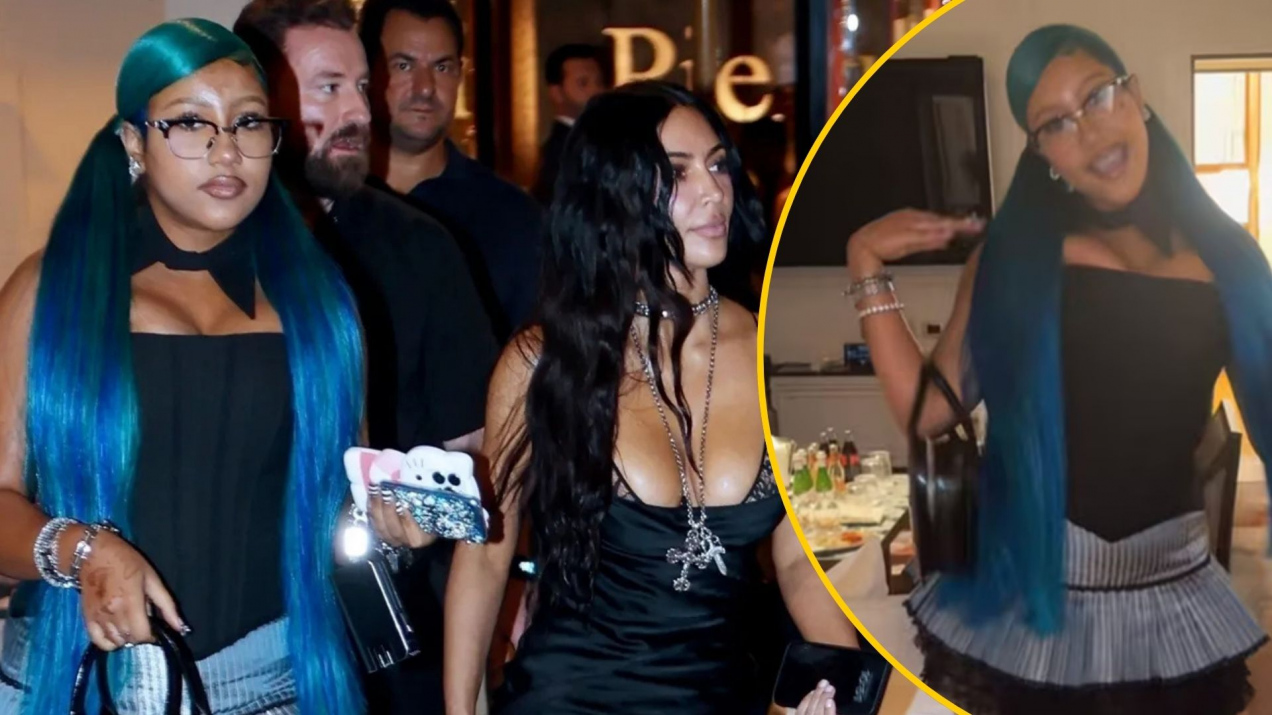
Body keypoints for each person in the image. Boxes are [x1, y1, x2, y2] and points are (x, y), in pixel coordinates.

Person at [847, 25, 1270, 715]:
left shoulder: (1230, 259)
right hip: (1033, 604)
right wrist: (865, 262)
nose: (1090, 131)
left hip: (1175, 602)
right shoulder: (1015, 259)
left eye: (1098, 96)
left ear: (1135, 96)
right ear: (1042, 152)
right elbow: (930, 412)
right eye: (1056, 123)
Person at [0, 19, 391, 714]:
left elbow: (346, 502)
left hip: (274, 685)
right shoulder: (51, 293)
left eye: (248, 123)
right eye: (189, 123)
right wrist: (84, 551)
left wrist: (396, 521)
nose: (226, 150)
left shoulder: (322, 308)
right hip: (78, 682)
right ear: (133, 142)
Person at [443, 80, 858, 715]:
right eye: (678, 173)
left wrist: (843, 686)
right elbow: (484, 557)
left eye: (718, 165)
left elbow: (799, 561)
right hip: (569, 701)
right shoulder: (544, 361)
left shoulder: (765, 348)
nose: (714, 191)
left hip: (719, 698)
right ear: (613, 195)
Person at [232, 1, 499, 712]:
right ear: (253, 95)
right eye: (328, 88)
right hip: (217, 641)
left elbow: (478, 458)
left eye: (360, 87)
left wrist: (412, 510)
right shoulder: (187, 258)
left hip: (384, 646)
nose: (358, 112)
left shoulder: (421, 248)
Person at [360, 0, 542, 343]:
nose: (425, 88)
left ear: (460, 73)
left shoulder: (514, 219)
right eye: (403, 65)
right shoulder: (324, 205)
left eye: (442, 67)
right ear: (365, 72)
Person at [532, 43, 606, 205]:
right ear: (557, 93)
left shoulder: (592, 142)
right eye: (583, 83)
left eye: (599, 82)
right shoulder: (561, 152)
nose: (596, 91)